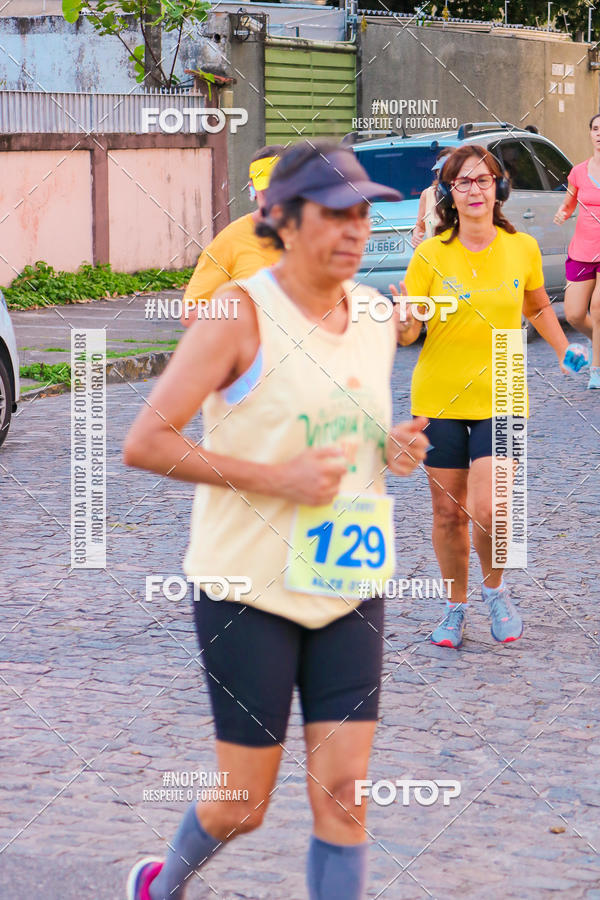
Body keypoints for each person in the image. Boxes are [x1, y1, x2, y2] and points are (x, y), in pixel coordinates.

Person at [124, 140, 429, 900]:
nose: (357, 229)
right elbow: (146, 442)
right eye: (335, 213)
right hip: (246, 587)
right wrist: (276, 478)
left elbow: (340, 423)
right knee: (243, 804)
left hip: (349, 575)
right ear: (283, 222)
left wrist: (389, 449)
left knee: (345, 788)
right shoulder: (238, 314)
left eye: (364, 212)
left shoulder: (374, 316)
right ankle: (160, 885)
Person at [397, 144, 582, 649]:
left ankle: (495, 590)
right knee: (447, 513)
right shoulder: (431, 255)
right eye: (463, 182)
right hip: (438, 396)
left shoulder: (519, 248)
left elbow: (538, 305)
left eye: (483, 180)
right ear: (449, 194)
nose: (474, 189)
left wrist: (566, 350)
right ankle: (455, 606)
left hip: (502, 387)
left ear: (498, 188)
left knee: (492, 509)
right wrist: (404, 319)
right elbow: (411, 335)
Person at [180, 144, 284, 327]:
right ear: (252, 191)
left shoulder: (320, 236)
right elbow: (191, 313)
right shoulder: (230, 240)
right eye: (267, 191)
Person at [554, 112, 600, 389]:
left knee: (598, 307)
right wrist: (561, 213)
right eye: (595, 128)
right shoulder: (579, 172)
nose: (599, 134)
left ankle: (596, 370)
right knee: (573, 313)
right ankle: (598, 340)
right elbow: (569, 204)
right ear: (590, 133)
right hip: (582, 250)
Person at [411, 147, 451, 248]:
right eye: (440, 170)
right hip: (435, 258)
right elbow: (420, 225)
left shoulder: (466, 194)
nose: (443, 174)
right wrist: (416, 235)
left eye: (449, 169)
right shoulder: (428, 194)